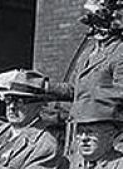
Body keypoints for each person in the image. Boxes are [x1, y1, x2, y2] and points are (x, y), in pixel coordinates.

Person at [46, 0, 123, 154]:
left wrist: (88, 97)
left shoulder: (119, 52)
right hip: (78, 127)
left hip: (105, 132)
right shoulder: (88, 52)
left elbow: (120, 91)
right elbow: (74, 89)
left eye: (97, 21)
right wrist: (44, 87)